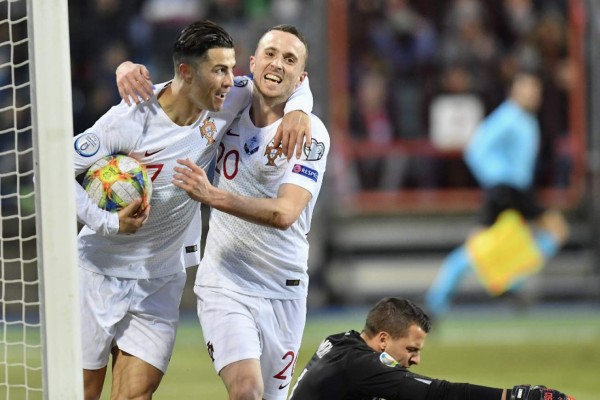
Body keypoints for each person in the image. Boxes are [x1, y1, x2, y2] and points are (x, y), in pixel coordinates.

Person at [74, 20, 312, 400]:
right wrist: (108, 222)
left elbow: (283, 78)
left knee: (135, 395)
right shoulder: (130, 119)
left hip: (159, 279)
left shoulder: (226, 98)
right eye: (219, 70)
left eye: (232, 69)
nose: (229, 80)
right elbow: (52, 174)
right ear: (186, 72)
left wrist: (300, 108)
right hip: (99, 272)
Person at [171, 25, 329, 400]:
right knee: (246, 391)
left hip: (283, 290)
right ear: (253, 63)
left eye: (290, 59)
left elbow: (285, 213)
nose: (277, 64)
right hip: (224, 282)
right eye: (271, 54)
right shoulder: (229, 99)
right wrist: (129, 72)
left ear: (301, 77)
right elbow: (179, 89)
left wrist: (213, 196)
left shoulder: (312, 134)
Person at [425, 71, 570, 318]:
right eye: (527, 88)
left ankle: (507, 283)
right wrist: (497, 179)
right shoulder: (508, 117)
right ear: (514, 90)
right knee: (477, 247)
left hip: (520, 192)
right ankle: (438, 301)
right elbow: (475, 148)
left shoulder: (526, 120)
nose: (533, 93)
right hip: (505, 190)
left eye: (536, 89)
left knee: (553, 233)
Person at [288, 297, 575, 400]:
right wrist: (514, 397)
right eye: (411, 349)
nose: (416, 359)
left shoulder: (343, 342)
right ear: (384, 339)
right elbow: (439, 392)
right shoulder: (359, 365)